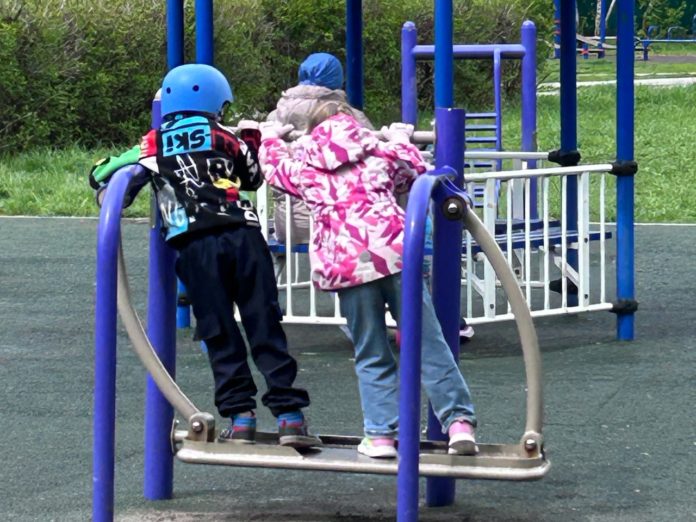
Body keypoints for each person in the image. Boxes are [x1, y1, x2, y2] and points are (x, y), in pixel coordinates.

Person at [88, 64, 321, 448]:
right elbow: (253, 177)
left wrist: (119, 181)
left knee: (218, 330)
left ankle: (240, 418)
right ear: (214, 104)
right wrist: (252, 139)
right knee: (264, 323)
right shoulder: (225, 136)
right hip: (244, 236)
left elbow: (101, 173)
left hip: (195, 243)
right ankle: (290, 417)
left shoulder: (153, 143)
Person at [258, 102, 477, 458]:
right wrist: (400, 137)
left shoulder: (306, 165)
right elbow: (415, 170)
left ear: (313, 131)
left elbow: (273, 168)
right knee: (429, 343)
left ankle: (380, 436)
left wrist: (270, 136)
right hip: (394, 256)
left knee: (371, 351)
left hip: (347, 266)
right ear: (357, 126)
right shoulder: (378, 153)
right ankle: (459, 424)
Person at [266, 52, 373, 248]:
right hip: (336, 226)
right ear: (337, 78)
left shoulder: (275, 116)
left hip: (287, 227)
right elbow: (373, 152)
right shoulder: (348, 116)